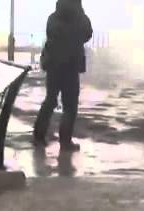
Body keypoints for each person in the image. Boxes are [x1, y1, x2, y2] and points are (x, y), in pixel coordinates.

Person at [33, 0, 93, 152]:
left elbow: (50, 33)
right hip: (71, 66)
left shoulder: (53, 18)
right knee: (70, 106)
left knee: (50, 100)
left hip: (54, 65)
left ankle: (38, 137)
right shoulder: (80, 18)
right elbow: (88, 34)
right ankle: (65, 141)